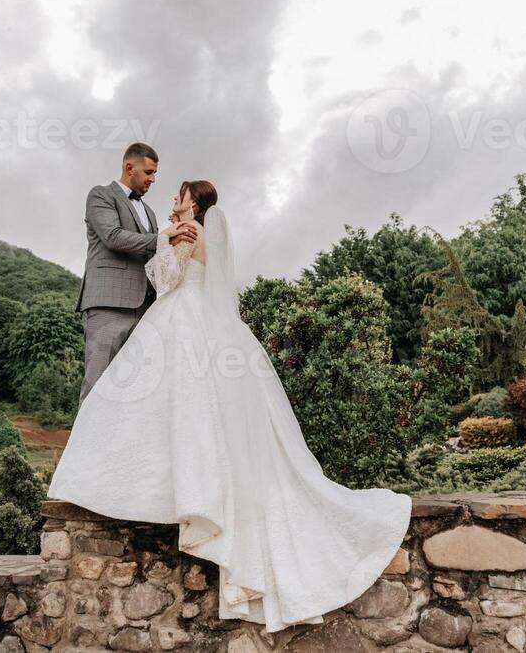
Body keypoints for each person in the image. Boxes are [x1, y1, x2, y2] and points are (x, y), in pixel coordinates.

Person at [51, 178, 411, 632]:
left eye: (179, 195)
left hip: (180, 321)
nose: (173, 200)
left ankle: (156, 485)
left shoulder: (189, 234)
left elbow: (166, 280)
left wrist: (167, 238)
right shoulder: (207, 236)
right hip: (205, 326)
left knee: (159, 403)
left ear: (193, 203)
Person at [76, 143, 199, 402]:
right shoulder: (101, 195)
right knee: (97, 384)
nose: (153, 179)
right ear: (129, 167)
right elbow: (113, 237)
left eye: (155, 174)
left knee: (132, 391)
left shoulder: (151, 212)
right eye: (149, 172)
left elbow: (155, 254)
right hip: (108, 304)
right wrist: (163, 238)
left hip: (146, 310)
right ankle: (87, 443)